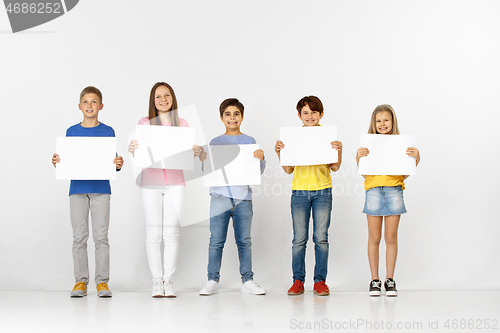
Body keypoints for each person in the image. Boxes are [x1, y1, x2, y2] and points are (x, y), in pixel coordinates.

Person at [128, 82, 204, 298]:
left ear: (173, 99)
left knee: (171, 232)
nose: (163, 100)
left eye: (167, 95)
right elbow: (139, 152)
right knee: (153, 233)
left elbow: (186, 154)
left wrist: (194, 150)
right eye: (158, 96)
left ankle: (168, 281)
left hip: (175, 182)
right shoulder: (144, 123)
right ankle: (156, 282)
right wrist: (132, 148)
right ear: (153, 100)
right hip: (150, 183)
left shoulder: (182, 123)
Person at [52, 86, 124, 298]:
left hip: (101, 189)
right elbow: (66, 160)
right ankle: (80, 282)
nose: (89, 105)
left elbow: (113, 160)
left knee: (101, 237)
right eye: (86, 101)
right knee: (79, 237)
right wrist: (58, 162)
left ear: (101, 106)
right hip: (77, 189)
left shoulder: (108, 131)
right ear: (79, 106)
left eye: (94, 102)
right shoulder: (71, 132)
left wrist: (118, 164)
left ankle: (102, 282)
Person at [275, 96, 342, 296]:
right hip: (300, 192)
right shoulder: (294, 137)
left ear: (321, 114)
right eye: (305, 112)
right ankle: (298, 280)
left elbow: (335, 167)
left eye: (314, 112)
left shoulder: (327, 136)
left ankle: (320, 281)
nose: (310, 116)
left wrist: (339, 150)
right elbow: (288, 170)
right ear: (299, 116)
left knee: (321, 238)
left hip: (323, 191)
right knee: (299, 239)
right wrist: (280, 152)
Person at [198, 98, 266, 296]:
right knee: (216, 241)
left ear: (242, 117)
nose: (232, 117)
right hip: (220, 196)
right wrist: (203, 159)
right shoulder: (215, 142)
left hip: (243, 197)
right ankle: (212, 280)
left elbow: (257, 171)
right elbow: (207, 170)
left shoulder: (250, 141)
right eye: (227, 114)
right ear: (221, 118)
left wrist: (261, 159)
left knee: (244, 240)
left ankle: (248, 280)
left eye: (236, 114)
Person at [356, 104, 420, 297]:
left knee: (391, 237)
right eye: (378, 121)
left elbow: (406, 171)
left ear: (392, 122)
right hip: (373, 190)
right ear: (373, 124)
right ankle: (374, 279)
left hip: (394, 191)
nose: (382, 124)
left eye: (386, 120)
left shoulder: (400, 145)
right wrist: (359, 157)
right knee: (374, 237)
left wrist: (416, 158)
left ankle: (389, 279)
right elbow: (364, 172)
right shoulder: (368, 145)